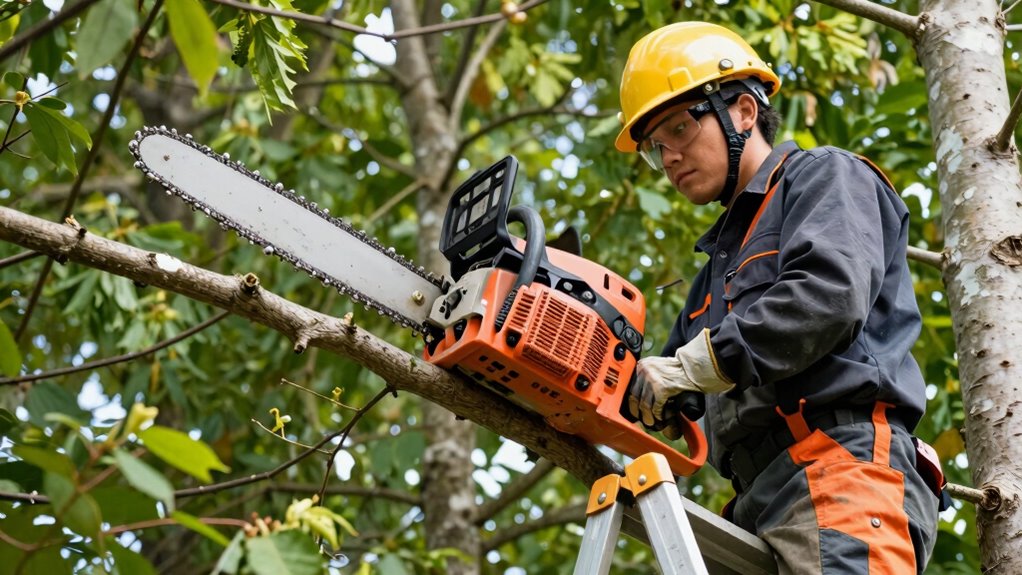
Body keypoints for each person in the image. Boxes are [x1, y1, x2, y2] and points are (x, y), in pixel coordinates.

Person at [617, 21, 944, 573]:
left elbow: (828, 295)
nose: (668, 156)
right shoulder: (708, 283)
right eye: (654, 148)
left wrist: (698, 365)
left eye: (679, 127)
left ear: (743, 111)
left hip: (842, 469)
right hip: (755, 504)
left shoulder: (823, 178)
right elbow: (664, 388)